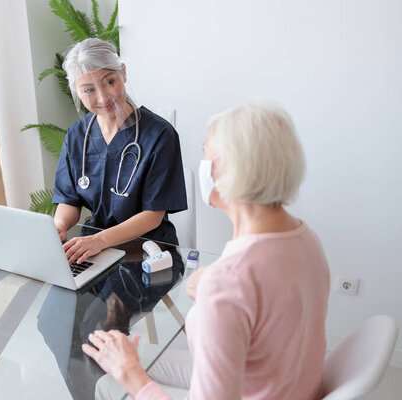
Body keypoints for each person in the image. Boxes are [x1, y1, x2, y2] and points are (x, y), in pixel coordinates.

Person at [84, 102, 331, 399]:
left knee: (110, 382)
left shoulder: (228, 281)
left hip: (253, 388)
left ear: (235, 169)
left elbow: (237, 289)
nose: (202, 165)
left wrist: (130, 372)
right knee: (130, 361)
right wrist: (210, 295)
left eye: (207, 154)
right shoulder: (304, 238)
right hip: (277, 380)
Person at [52, 38, 187, 264]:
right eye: (88, 89)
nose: (103, 97)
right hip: (94, 247)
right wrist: (59, 226)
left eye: (110, 81)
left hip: (147, 249)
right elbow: (69, 200)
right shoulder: (77, 135)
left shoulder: (160, 135)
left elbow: (153, 216)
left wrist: (100, 240)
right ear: (75, 90)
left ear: (123, 73)